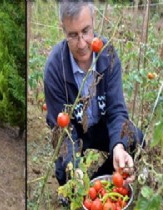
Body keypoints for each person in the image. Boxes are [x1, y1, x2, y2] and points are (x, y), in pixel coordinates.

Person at [44, 1, 143, 188]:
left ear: (93, 21)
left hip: (102, 126)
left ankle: (102, 181)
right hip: (73, 131)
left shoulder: (108, 54)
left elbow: (117, 111)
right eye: (73, 35)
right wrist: (73, 165)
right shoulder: (55, 68)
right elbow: (60, 130)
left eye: (86, 31)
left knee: (134, 139)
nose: (82, 44)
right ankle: (78, 185)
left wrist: (119, 147)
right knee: (64, 172)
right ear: (63, 30)